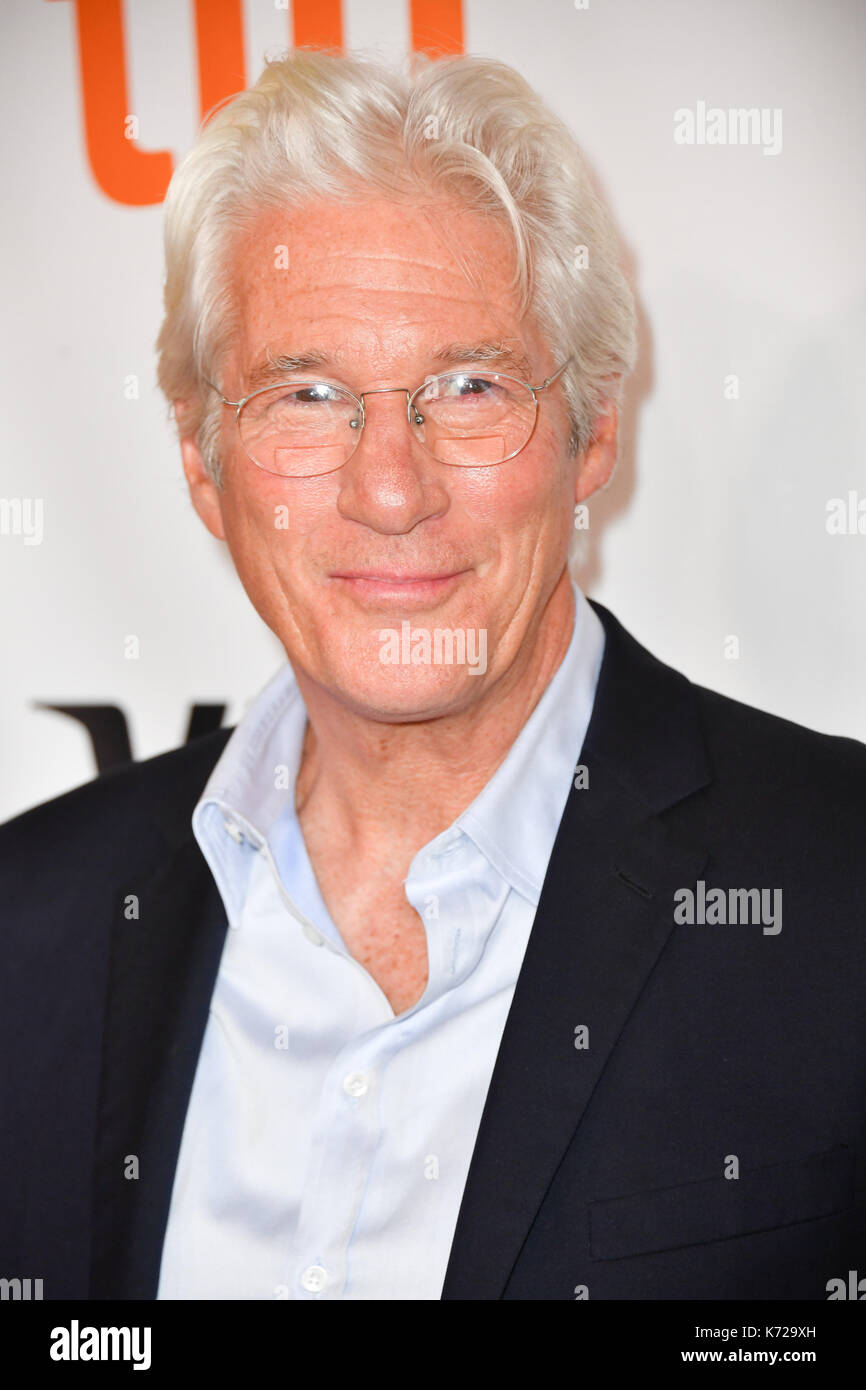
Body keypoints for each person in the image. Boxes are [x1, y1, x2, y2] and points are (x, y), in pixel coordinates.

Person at [1, 50, 864, 1303]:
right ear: (202, 463)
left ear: (593, 435)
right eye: (306, 394)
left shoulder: (837, 889)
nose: (390, 490)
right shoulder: (31, 931)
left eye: (468, 388)